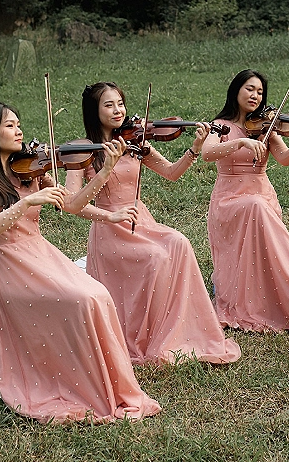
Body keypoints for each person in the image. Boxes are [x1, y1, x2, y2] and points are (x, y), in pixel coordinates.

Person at [0, 101, 161, 424]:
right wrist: (26, 201)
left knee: (97, 294)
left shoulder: (29, 169)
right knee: (81, 300)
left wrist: (106, 170)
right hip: (13, 268)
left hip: (41, 254)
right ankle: (79, 383)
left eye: (18, 124)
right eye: (10, 125)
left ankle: (108, 383)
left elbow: (72, 204)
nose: (20, 131)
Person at [65, 82, 241, 365]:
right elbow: (72, 205)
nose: (118, 110)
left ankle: (177, 330)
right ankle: (148, 337)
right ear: (93, 112)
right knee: (156, 258)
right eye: (108, 105)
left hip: (141, 221)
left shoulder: (135, 142)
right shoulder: (84, 151)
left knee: (180, 243)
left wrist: (195, 148)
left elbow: (171, 173)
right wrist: (105, 171)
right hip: (110, 227)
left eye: (120, 103)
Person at [201, 69, 289, 334]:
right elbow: (207, 153)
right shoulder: (221, 124)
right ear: (236, 90)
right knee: (255, 207)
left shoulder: (266, 126)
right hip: (229, 201)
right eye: (250, 89)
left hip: (261, 197)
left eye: (260, 92)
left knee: (258, 206)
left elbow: (284, 158)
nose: (255, 95)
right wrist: (240, 142)